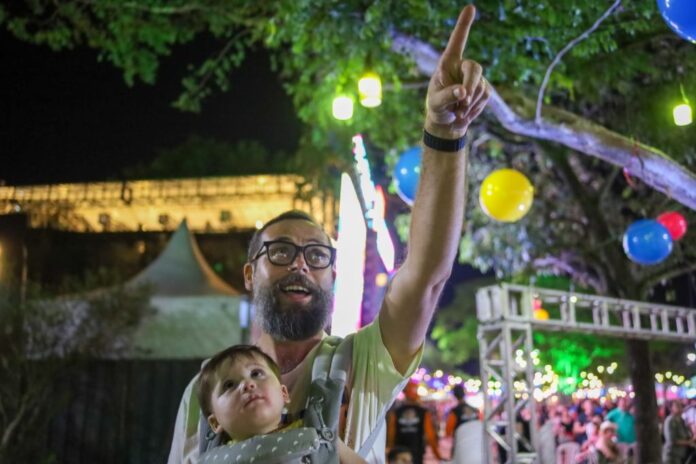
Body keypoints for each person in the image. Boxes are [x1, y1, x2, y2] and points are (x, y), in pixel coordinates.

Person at [167, 5, 491, 463]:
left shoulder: (365, 361)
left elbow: (426, 275)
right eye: (280, 251)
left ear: (332, 275)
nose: (300, 263)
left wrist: (445, 132)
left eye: (317, 255)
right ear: (248, 273)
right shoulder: (208, 388)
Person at [196, 344, 365, 463]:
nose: (247, 384)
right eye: (229, 385)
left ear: (283, 393)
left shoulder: (318, 435)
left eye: (256, 373)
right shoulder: (217, 457)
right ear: (215, 422)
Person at [387, 381, 443, 464]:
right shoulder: (423, 412)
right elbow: (430, 436)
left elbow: (391, 434)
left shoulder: (396, 412)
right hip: (417, 453)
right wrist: (437, 455)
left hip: (399, 454)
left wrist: (390, 450)